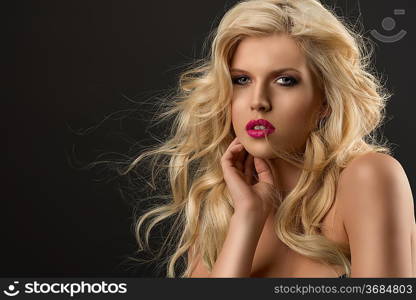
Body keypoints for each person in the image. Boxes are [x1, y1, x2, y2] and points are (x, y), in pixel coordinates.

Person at [119, 0, 416, 277]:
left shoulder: (369, 178)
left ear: (325, 100)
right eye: (242, 80)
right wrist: (247, 218)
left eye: (285, 80)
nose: (258, 101)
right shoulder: (221, 207)